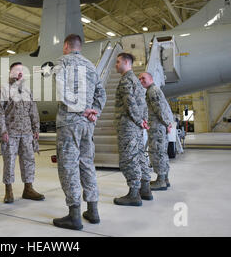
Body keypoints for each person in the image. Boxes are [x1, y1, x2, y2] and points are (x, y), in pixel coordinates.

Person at [52, 34, 106, 230]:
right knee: (87, 164)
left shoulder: (63, 62)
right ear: (79, 47)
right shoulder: (91, 66)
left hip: (69, 123)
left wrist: (80, 109)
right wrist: (94, 112)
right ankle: (93, 210)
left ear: (66, 46)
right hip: (87, 125)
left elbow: (61, 92)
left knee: (68, 166)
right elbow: (101, 93)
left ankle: (74, 215)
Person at [0, 62, 44, 204]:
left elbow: (33, 111)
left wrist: (36, 129)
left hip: (27, 133)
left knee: (29, 161)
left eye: (22, 70)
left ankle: (28, 188)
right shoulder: (3, 89)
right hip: (11, 133)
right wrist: (2, 131)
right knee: (9, 162)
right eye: (16, 70)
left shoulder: (27, 91)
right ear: (11, 73)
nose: (20, 72)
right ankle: (8, 191)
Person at [113, 53, 152, 206]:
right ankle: (145, 189)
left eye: (118, 62)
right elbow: (143, 104)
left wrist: (138, 120)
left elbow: (130, 104)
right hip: (136, 126)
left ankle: (134, 194)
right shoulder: (136, 80)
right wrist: (143, 121)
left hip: (128, 126)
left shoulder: (125, 81)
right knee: (140, 155)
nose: (116, 65)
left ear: (126, 62)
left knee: (129, 158)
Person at [138, 72, 173, 190]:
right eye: (140, 79)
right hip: (158, 126)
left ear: (151, 79)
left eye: (143, 78)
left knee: (157, 152)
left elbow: (160, 109)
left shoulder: (152, 91)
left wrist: (167, 123)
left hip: (157, 127)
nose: (141, 80)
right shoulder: (152, 90)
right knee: (161, 152)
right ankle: (164, 179)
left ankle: (161, 181)